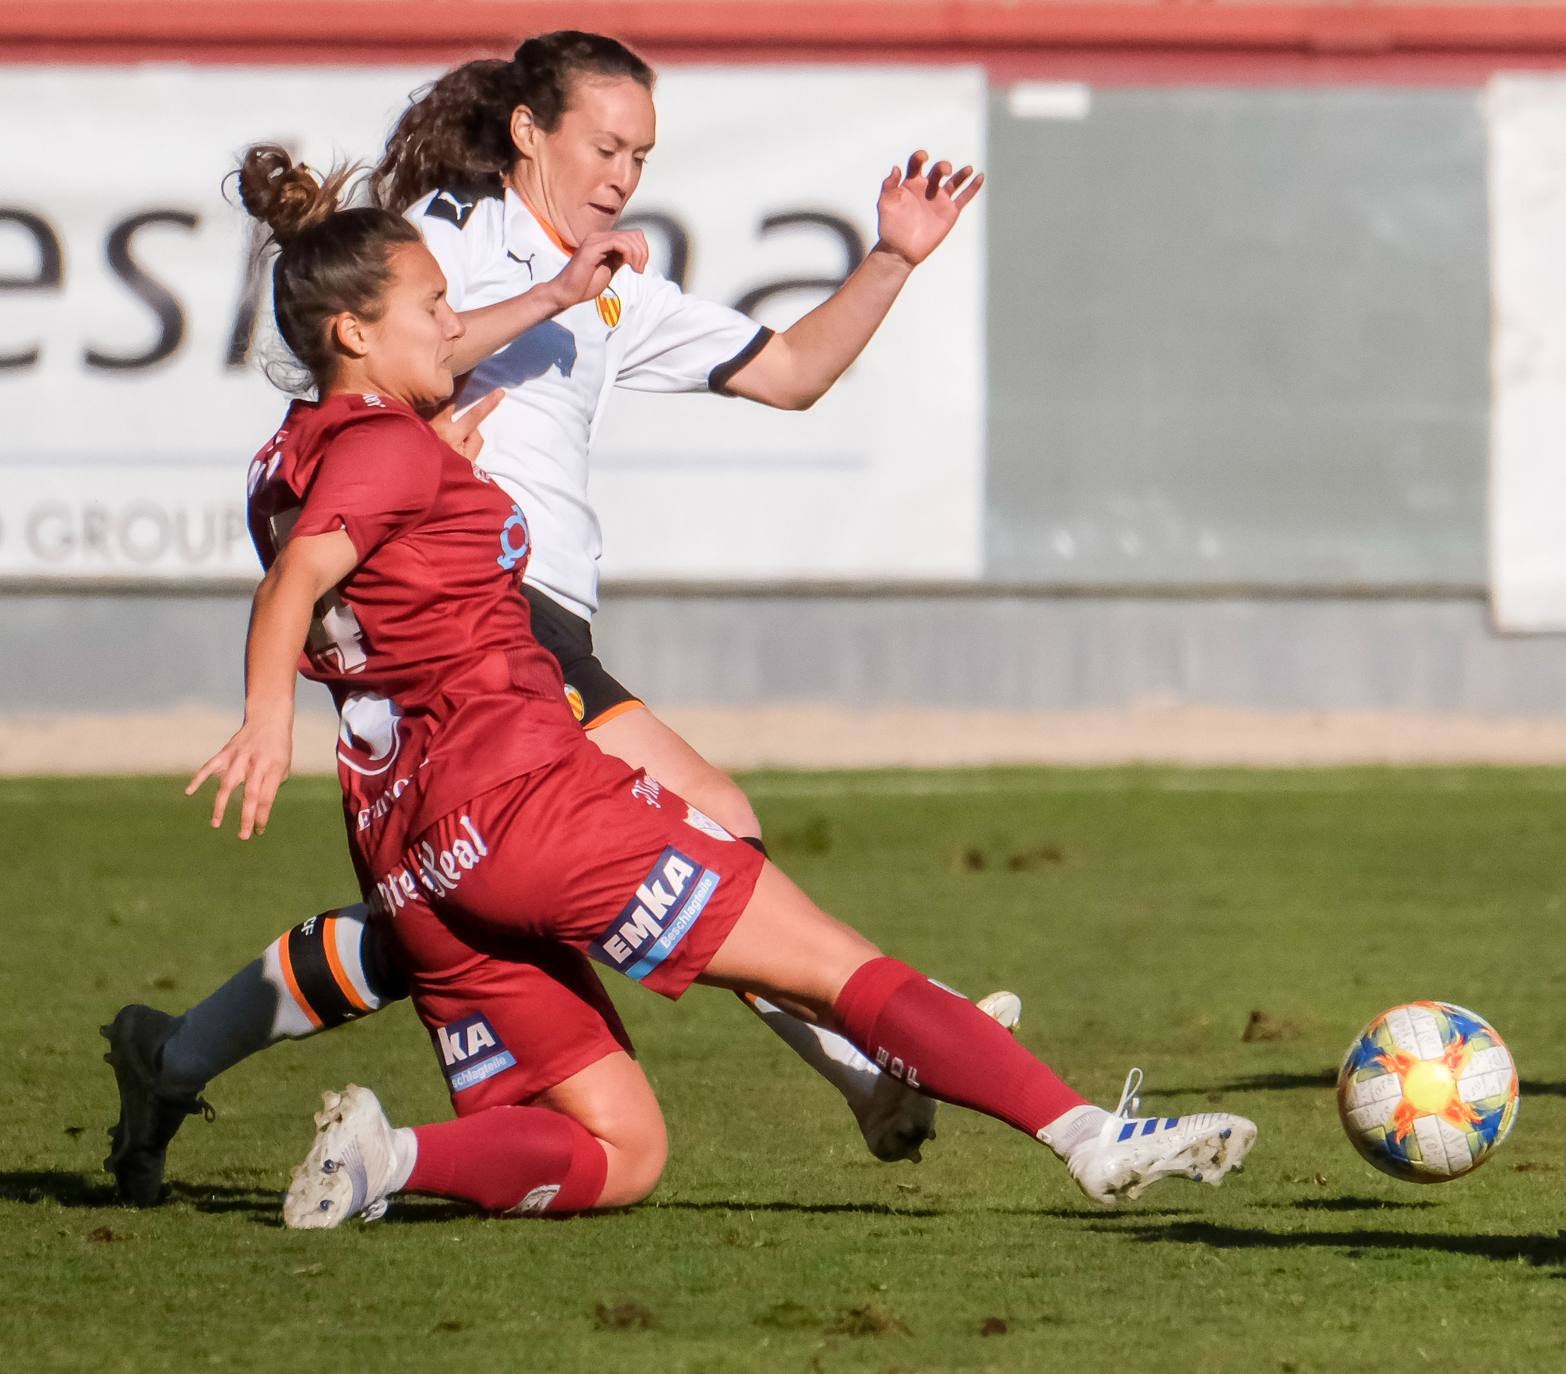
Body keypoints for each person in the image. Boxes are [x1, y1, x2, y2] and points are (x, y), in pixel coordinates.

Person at [183, 144, 1255, 1228]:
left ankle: (384, 1156)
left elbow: (348, 558)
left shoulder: (292, 454)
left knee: (624, 1149)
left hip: (414, 856)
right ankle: (1090, 1137)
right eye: (433, 307)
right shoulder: (386, 453)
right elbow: (301, 578)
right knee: (837, 967)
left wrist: (478, 401)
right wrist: (263, 721)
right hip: (524, 802)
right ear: (355, 333)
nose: (454, 326)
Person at [103, 30, 1010, 1205]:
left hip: (532, 627)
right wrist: (547, 299)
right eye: (604, 145)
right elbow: (388, 369)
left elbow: (789, 372)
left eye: (641, 152)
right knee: (712, 819)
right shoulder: (446, 239)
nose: (624, 174)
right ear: (528, 132)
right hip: (479, 617)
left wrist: (892, 259)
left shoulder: (605, 277)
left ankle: (168, 1058)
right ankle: (869, 1059)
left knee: (417, 925)